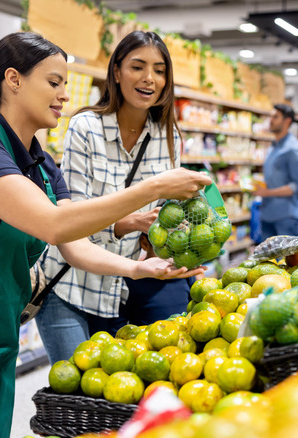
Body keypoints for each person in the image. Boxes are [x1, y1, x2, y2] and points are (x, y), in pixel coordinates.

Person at [0, 32, 210, 438]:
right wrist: (155, 187)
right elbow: (50, 224)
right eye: (54, 82)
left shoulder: (41, 165)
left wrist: (140, 270)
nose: (62, 95)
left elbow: (72, 242)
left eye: (64, 85)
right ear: (14, 80)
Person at [37, 31, 187, 362]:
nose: (150, 78)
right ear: (116, 72)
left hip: (127, 287)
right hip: (73, 286)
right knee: (76, 394)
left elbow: (165, 217)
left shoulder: (169, 136)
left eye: (160, 70)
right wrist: (125, 223)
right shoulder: (85, 127)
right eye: (138, 66)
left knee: (123, 395)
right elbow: (71, 220)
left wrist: (175, 239)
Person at [252, 103, 298, 242]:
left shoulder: (293, 148)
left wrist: (267, 193)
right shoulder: (273, 147)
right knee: (268, 262)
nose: (270, 120)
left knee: (287, 262)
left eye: (275, 117)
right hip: (267, 215)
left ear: (287, 121)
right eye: (270, 116)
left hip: (285, 218)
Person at [120, 233, 195, 325]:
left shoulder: (185, 273)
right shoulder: (131, 280)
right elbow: (120, 326)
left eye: (177, 246)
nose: (172, 254)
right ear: (145, 244)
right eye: (165, 246)